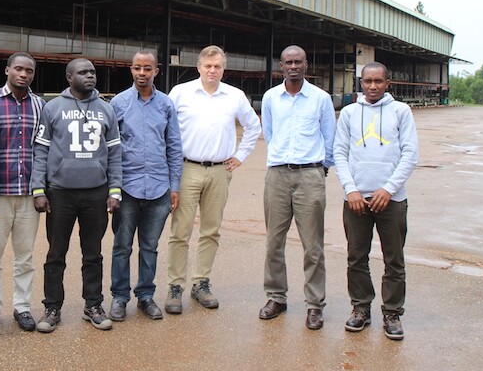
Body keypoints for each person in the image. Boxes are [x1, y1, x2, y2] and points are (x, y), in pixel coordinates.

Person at [165, 45, 261, 313]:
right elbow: (166, 129)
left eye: (217, 66)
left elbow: (253, 126)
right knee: (180, 231)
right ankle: (175, 286)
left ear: (223, 69)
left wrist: (240, 155)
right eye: (208, 66)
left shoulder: (234, 96)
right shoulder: (181, 93)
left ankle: (201, 283)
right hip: (187, 169)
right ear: (199, 67)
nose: (212, 70)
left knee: (211, 230)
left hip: (220, 171)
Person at [30, 58, 123, 333]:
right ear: (69, 77)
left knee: (93, 254)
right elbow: (41, 151)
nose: (90, 76)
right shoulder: (53, 108)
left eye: (93, 72)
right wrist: (39, 189)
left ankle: (93, 305)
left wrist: (114, 189)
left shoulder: (106, 109)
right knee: (56, 253)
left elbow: (116, 153)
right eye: (83, 72)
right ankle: (52, 307)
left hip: (96, 193)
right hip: (60, 193)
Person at [334, 62, 419, 340]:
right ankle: (360, 308)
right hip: (356, 199)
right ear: (360, 83)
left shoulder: (401, 112)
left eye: (378, 81)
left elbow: (410, 154)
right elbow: (340, 153)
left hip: (392, 201)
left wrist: (389, 189)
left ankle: (392, 312)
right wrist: (351, 190)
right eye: (367, 81)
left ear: (387, 82)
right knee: (356, 257)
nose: (372, 86)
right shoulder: (348, 113)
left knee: (394, 259)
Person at [259, 45, 336, 330]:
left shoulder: (320, 99)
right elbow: (270, 134)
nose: (293, 66)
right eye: (288, 62)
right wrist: (282, 160)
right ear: (281, 66)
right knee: (273, 243)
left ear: (307, 65)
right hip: (278, 175)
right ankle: (276, 297)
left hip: (310, 176)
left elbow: (330, 138)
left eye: (298, 62)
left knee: (313, 246)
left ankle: (315, 305)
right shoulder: (270, 98)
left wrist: (319, 169)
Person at [109, 50, 182, 321]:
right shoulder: (118, 103)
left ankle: (146, 296)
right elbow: (111, 148)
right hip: (127, 188)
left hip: (159, 188)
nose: (142, 73)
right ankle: (119, 297)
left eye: (147, 68)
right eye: (138, 68)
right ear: (131, 70)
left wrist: (174, 186)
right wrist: (113, 188)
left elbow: (174, 146)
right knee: (122, 246)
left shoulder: (165, 105)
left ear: (156, 71)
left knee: (150, 246)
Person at [0, 52, 45, 333]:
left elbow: (44, 150)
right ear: (7, 70)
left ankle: (22, 307)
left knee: (25, 256)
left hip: (29, 194)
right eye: (18, 69)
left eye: (29, 71)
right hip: (0, 194)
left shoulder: (41, 105)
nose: (24, 74)